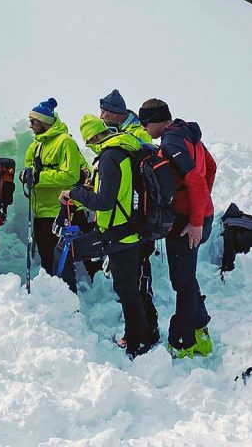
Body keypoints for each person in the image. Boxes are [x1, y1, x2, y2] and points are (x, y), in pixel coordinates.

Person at [60, 114, 155, 357]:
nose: (90, 147)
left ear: (93, 137)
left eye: (89, 141)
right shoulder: (126, 150)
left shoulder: (111, 156)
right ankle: (142, 336)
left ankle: (135, 343)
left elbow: (104, 201)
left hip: (116, 234)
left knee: (67, 251)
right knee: (130, 288)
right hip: (130, 229)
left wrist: (74, 194)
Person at [139, 98, 218, 358]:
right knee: (186, 276)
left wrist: (195, 220)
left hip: (188, 222)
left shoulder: (172, 142)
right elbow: (210, 167)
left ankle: (183, 342)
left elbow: (194, 178)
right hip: (196, 215)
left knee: (181, 282)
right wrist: (203, 204)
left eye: (145, 124)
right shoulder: (188, 134)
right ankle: (200, 328)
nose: (144, 130)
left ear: (157, 120)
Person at [99, 89, 159, 341]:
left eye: (103, 111)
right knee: (135, 281)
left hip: (137, 217)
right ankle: (146, 330)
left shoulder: (134, 135)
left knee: (136, 282)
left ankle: (141, 334)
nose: (100, 115)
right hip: (135, 215)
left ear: (114, 114)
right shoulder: (128, 133)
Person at [18, 98, 85, 279]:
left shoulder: (65, 142)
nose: (30, 125)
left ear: (44, 121)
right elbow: (30, 169)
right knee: (47, 259)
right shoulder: (36, 145)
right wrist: (26, 175)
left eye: (33, 121)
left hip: (60, 211)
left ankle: (68, 298)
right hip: (40, 212)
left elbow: (72, 175)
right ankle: (53, 300)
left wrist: (39, 177)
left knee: (61, 261)